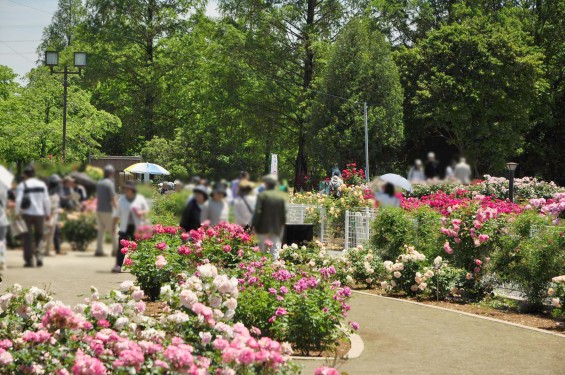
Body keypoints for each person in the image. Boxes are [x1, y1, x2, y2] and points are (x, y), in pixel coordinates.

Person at [15, 165, 51, 268]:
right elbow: (46, 200)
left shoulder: (22, 185)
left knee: (27, 236)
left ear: (25, 174)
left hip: (27, 214)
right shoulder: (42, 184)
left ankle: (29, 261)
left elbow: (18, 200)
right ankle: (39, 257)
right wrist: (47, 213)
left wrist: (17, 213)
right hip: (40, 214)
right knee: (39, 236)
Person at [112, 181, 149, 273]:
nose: (127, 191)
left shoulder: (140, 199)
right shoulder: (122, 199)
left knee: (139, 246)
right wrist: (113, 226)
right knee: (121, 246)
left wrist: (141, 212)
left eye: (129, 189)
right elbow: (117, 213)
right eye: (126, 189)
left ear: (133, 190)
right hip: (125, 226)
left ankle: (141, 266)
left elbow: (146, 210)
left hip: (137, 227)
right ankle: (118, 265)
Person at [252, 174, 286, 259]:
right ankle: (275, 270)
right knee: (274, 250)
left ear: (266, 184)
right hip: (276, 227)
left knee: (261, 251)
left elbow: (258, 212)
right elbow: (283, 214)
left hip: (263, 227)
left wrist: (254, 224)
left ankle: (261, 269)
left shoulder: (262, 195)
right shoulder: (281, 197)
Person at [95, 165, 117, 257]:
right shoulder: (110, 183)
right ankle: (116, 251)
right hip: (107, 210)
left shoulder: (99, 183)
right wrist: (117, 208)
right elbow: (112, 197)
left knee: (101, 230)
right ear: (111, 173)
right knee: (113, 230)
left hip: (99, 209)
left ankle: (99, 250)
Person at [44, 174, 62, 257]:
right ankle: (46, 251)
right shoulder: (54, 195)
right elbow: (52, 207)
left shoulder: (46, 192)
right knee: (49, 234)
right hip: (51, 215)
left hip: (45, 215)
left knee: (45, 234)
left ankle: (41, 250)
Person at [0, 178, 10, 270]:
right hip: (2, 218)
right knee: (2, 240)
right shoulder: (3, 187)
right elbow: (5, 203)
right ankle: (2, 261)